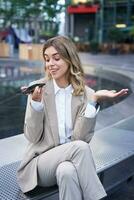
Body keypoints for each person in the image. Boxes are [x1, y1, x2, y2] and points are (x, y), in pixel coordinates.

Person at [17, 36, 128, 200]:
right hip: (39, 166)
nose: (50, 64)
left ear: (69, 58)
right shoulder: (38, 89)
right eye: (47, 59)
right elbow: (32, 137)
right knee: (80, 148)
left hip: (68, 161)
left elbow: (80, 138)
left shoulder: (87, 94)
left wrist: (94, 102)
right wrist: (36, 105)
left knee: (66, 171)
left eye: (56, 58)